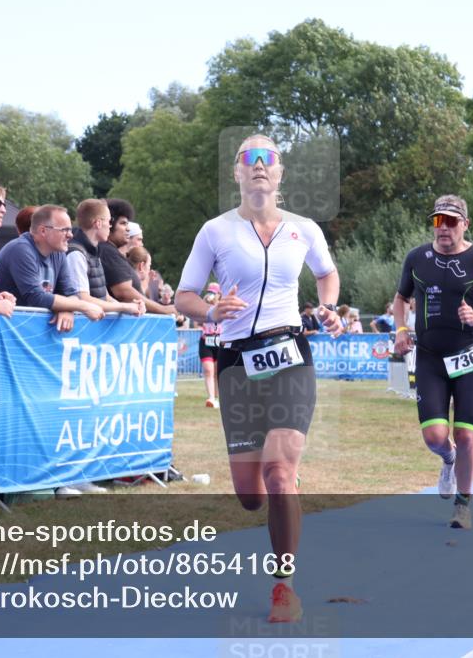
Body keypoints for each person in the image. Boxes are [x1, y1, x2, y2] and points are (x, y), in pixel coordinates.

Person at [175, 134, 344, 624]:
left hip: (290, 352)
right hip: (235, 363)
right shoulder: (215, 232)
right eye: (248, 159)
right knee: (251, 495)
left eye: (267, 158)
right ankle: (278, 496)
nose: (258, 166)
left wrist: (328, 307)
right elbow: (183, 296)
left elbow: (327, 275)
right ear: (236, 173)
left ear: (280, 172)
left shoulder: (304, 229)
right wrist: (210, 309)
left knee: (280, 472)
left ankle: (283, 586)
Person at [392, 194, 473, 531]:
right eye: (438, 220)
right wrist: (402, 329)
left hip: (467, 357)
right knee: (436, 437)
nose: (444, 228)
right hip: (430, 358)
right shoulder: (416, 258)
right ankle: (447, 460)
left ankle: (463, 504)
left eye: (451, 221)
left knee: (467, 436)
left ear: (466, 224)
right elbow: (400, 298)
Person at [0, 205, 105, 331]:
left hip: (27, 329)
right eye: (65, 230)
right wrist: (83, 306)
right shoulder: (21, 249)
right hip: (4, 330)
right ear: (43, 231)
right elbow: (36, 297)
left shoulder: (58, 252)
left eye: (70, 229)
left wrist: (67, 309)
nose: (70, 235)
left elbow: (70, 293)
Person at [66, 198, 144, 317]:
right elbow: (82, 299)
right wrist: (124, 306)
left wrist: (131, 307)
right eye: (109, 221)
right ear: (98, 223)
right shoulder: (76, 254)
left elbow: (103, 295)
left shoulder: (94, 251)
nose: (110, 225)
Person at [101, 198, 174, 314]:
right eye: (123, 223)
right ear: (110, 224)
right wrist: (163, 309)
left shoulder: (111, 252)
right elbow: (124, 292)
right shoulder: (107, 251)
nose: (127, 229)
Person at [197, 283, 223, 408]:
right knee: (208, 370)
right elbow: (198, 322)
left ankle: (218, 397)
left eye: (214, 292)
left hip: (219, 341)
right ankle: (211, 398)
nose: (211, 295)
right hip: (206, 340)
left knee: (218, 372)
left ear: (219, 294)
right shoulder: (204, 307)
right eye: (210, 292)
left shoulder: (222, 306)